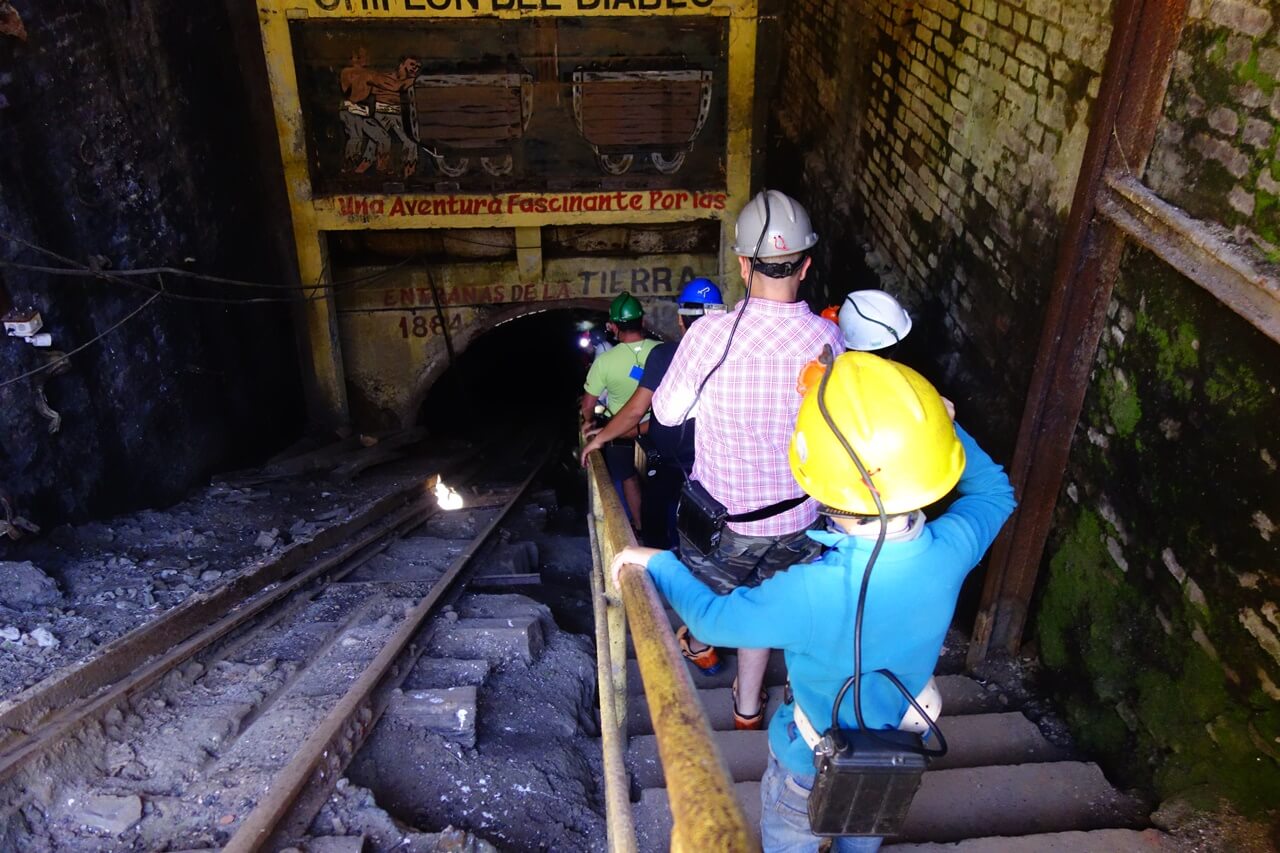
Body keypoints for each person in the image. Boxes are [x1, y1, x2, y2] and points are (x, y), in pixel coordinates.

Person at [612, 351, 1017, 851]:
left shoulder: (807, 589)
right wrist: (946, 428)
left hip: (807, 761)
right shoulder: (951, 550)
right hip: (889, 755)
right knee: (859, 840)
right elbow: (996, 494)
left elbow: (713, 622)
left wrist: (658, 562)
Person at [650, 190, 844, 728]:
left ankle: (706, 652)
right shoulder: (830, 338)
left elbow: (666, 417)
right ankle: (748, 706)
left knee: (716, 608)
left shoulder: (709, 336)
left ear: (741, 265)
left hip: (722, 528)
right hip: (803, 523)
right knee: (769, 606)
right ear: (805, 266)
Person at [580, 279, 725, 548]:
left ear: (681, 321)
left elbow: (636, 410)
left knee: (656, 523)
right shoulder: (734, 356)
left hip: (673, 465)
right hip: (721, 470)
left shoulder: (666, 356)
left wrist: (600, 436)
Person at [581, 293, 660, 532]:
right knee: (661, 480)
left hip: (618, 428)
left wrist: (588, 422)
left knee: (627, 477)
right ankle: (663, 529)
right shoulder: (663, 351)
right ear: (643, 322)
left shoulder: (604, 361)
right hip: (657, 427)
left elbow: (587, 403)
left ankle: (639, 525)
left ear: (614, 327)